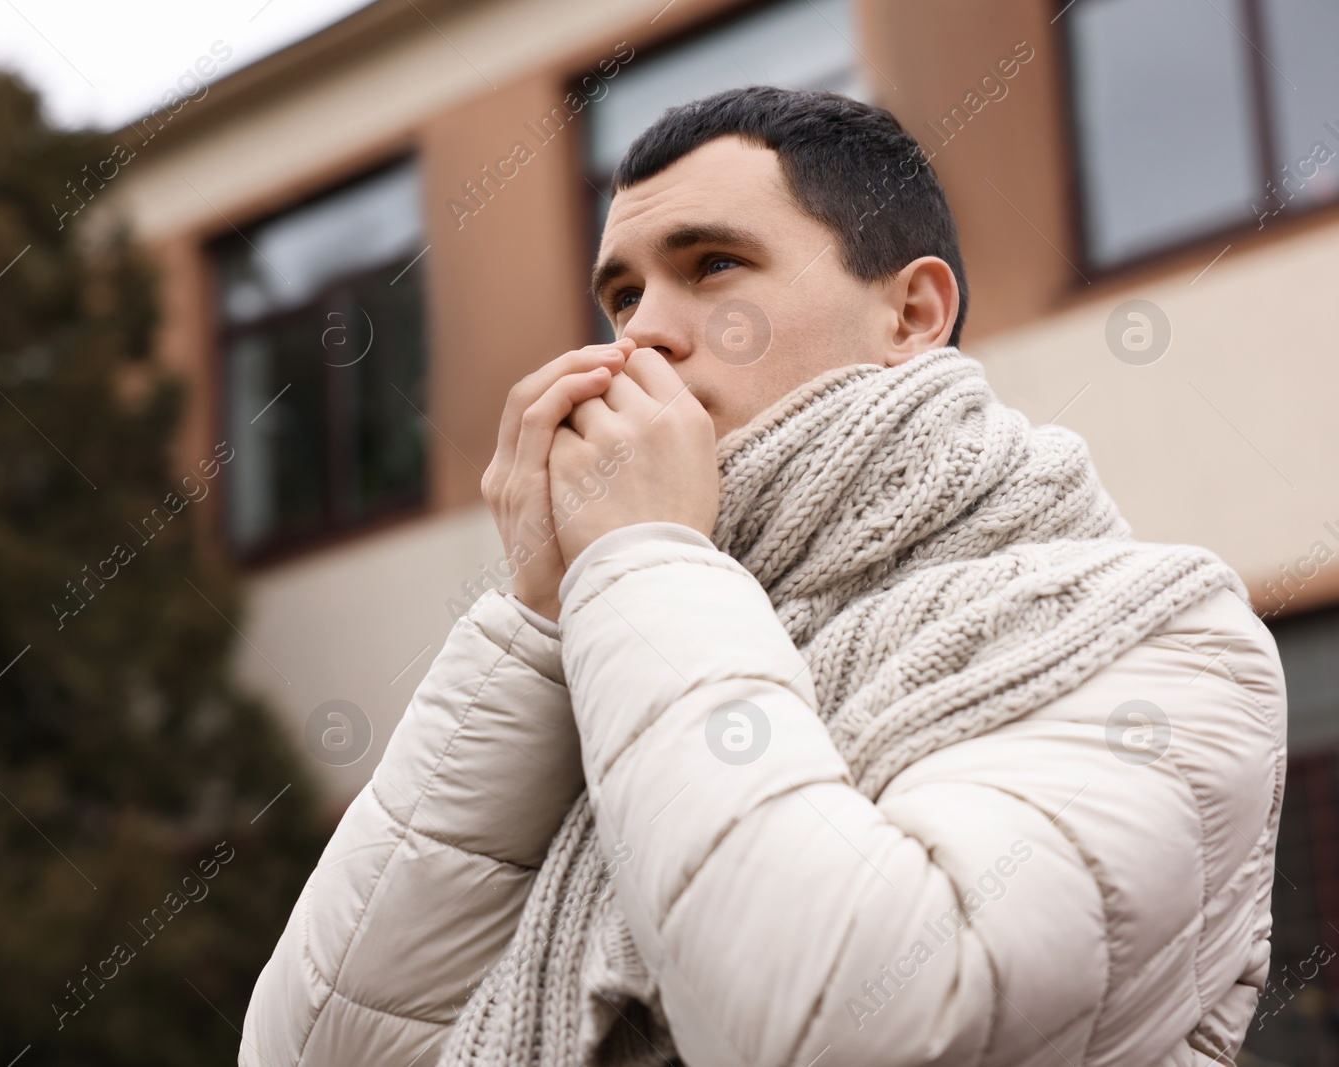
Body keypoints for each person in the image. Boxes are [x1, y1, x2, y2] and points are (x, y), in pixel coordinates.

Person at [240, 87, 1287, 1066]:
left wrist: (643, 562)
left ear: (913, 315)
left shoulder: (1161, 637)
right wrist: (537, 619)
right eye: (621, 292)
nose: (640, 330)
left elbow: (850, 1019)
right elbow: (313, 1044)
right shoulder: (624, 631)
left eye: (712, 266)